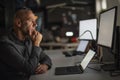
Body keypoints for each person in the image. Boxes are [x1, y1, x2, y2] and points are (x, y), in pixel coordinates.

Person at [0, 8, 52, 80]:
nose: (35, 24)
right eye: (31, 21)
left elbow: (46, 58)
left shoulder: (28, 40)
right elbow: (29, 69)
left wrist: (45, 65)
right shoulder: (5, 44)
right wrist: (36, 43)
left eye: (35, 21)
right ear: (19, 23)